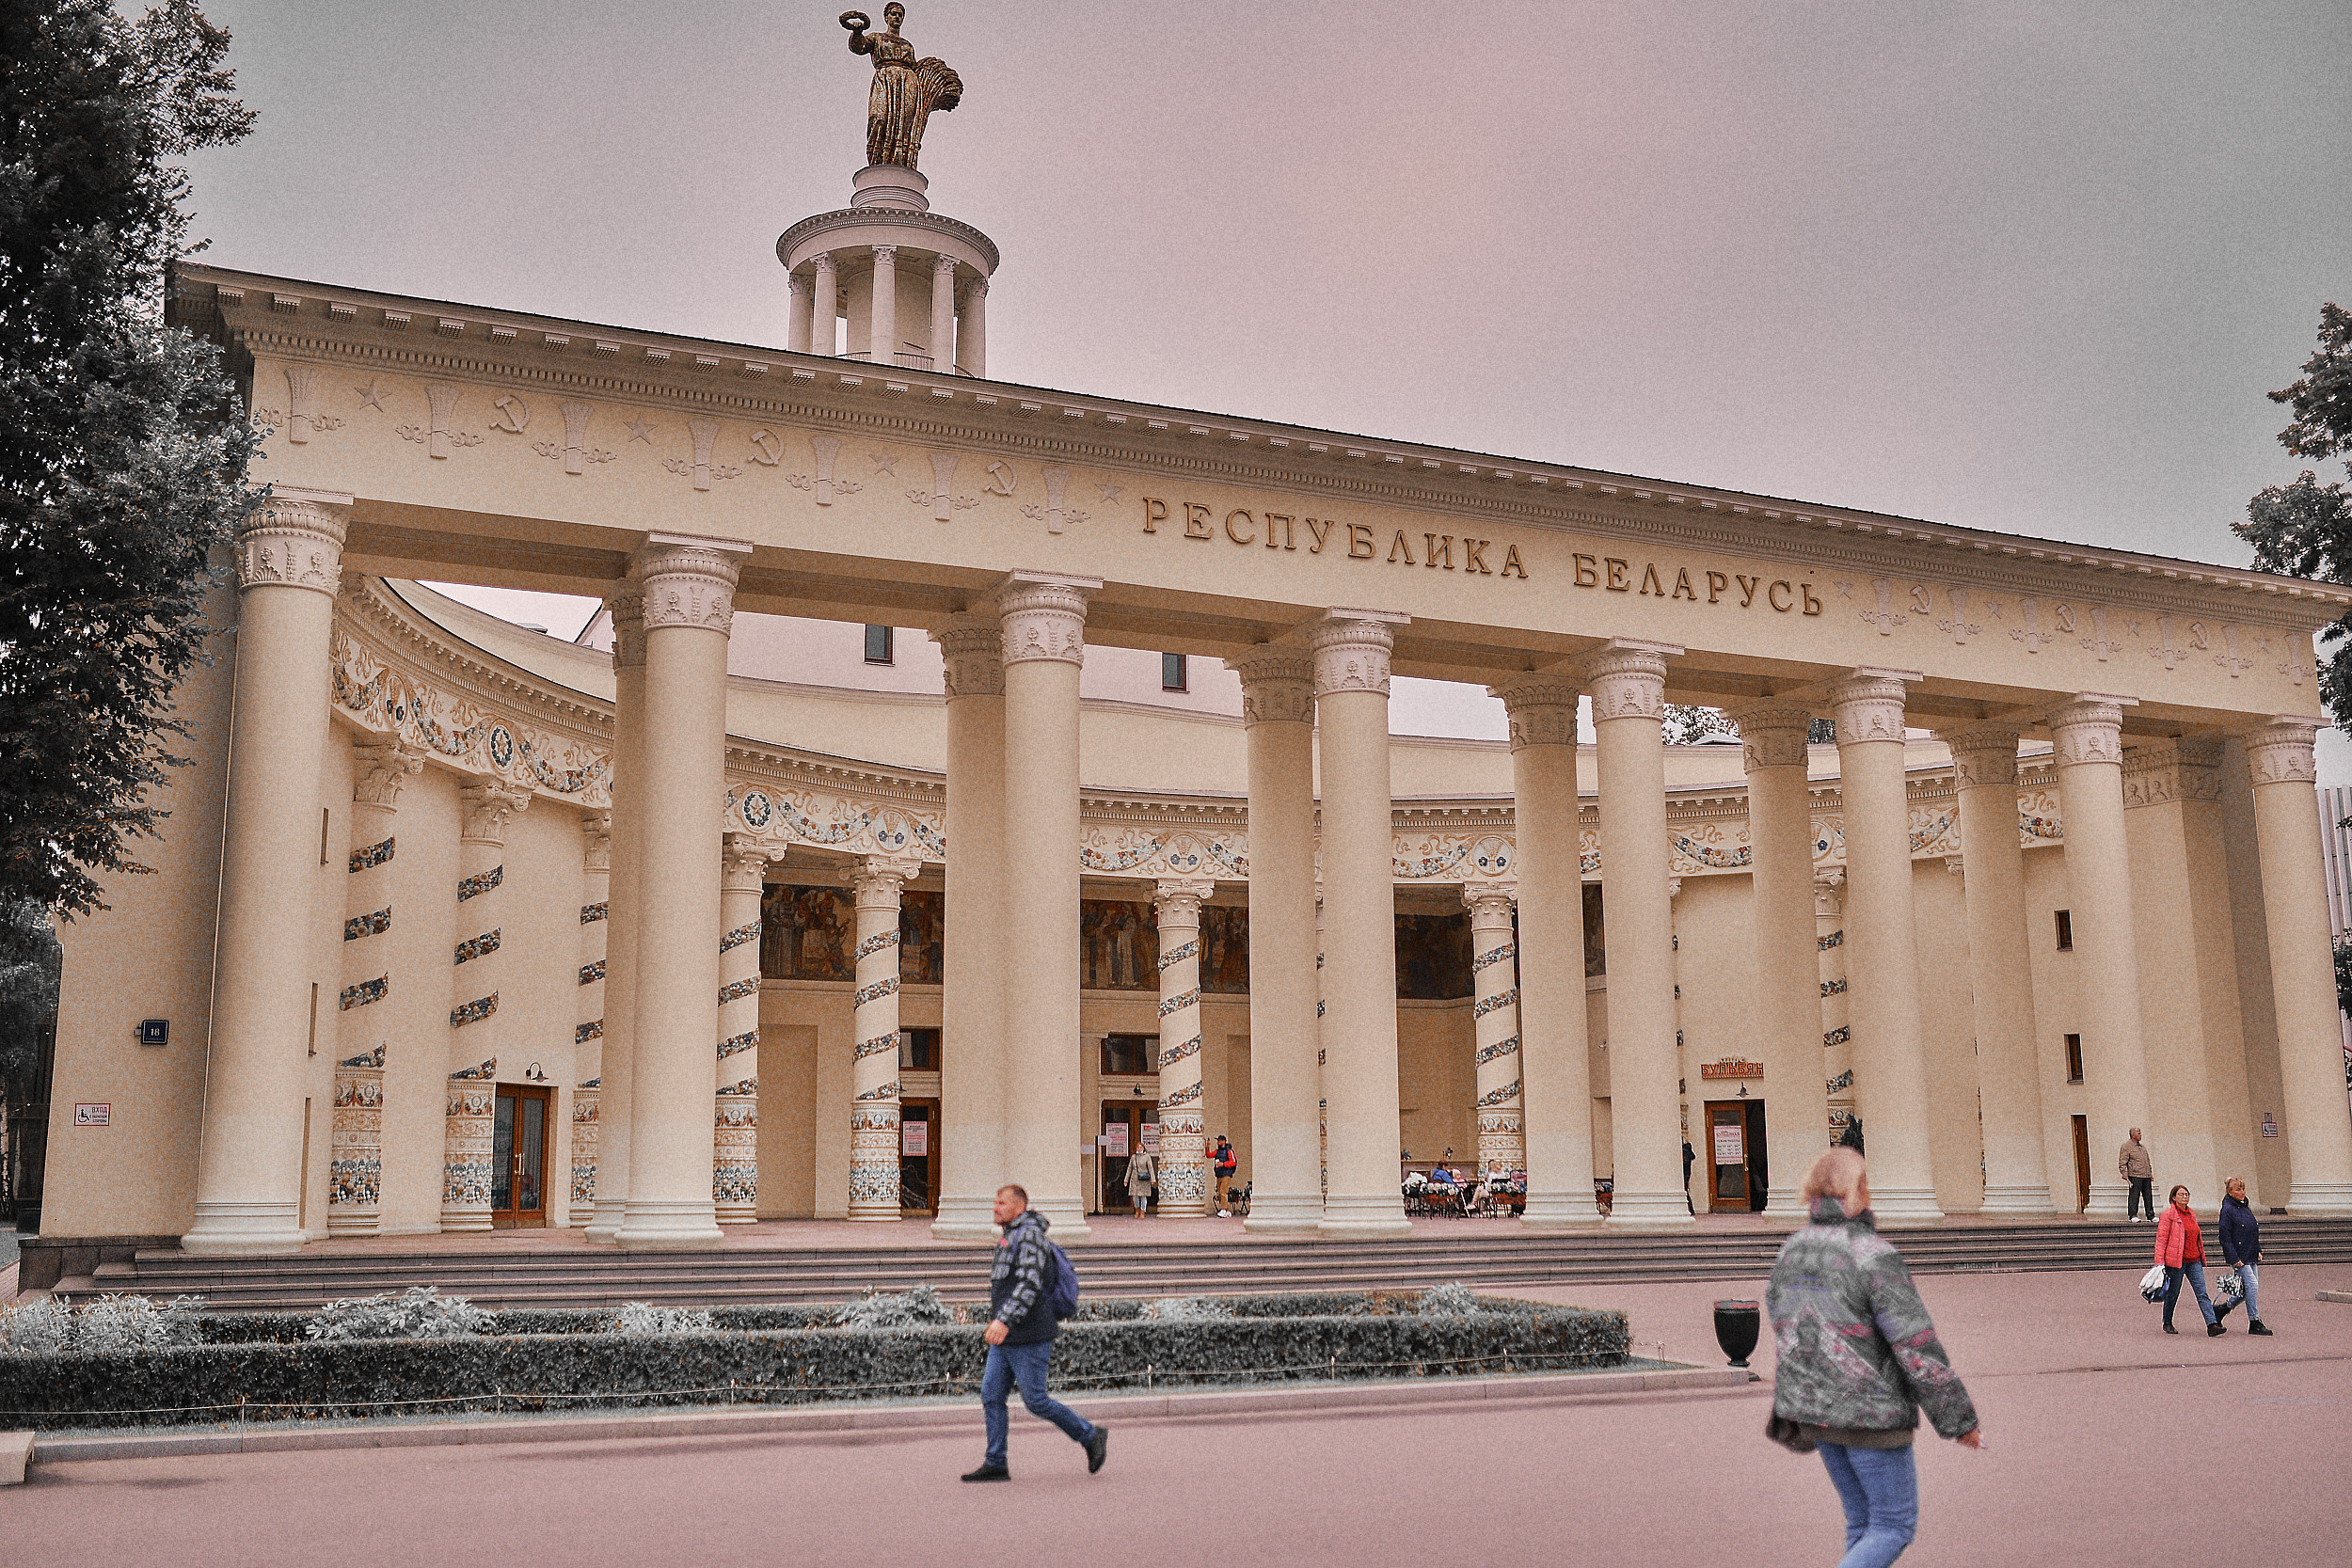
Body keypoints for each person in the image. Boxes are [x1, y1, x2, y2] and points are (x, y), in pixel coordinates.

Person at [1767, 1148, 1981, 1568]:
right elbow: (1915, 1345)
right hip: (1871, 1413)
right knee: (1893, 1526)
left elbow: (1783, 1324)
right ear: (1858, 1189)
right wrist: (1959, 1421)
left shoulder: (1792, 1249)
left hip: (1816, 1411)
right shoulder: (1871, 1254)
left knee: (1863, 1522)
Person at [961, 1184, 1108, 1482]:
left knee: (1036, 1401)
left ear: (1019, 1207)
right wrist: (1002, 1322)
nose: (995, 1207)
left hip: (1029, 1334)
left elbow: (1029, 1284)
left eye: (1001, 1203)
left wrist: (1003, 1320)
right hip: (1009, 1334)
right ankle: (996, 1462)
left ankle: (1090, 1435)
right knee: (991, 1395)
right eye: (995, 1201)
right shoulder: (1012, 1234)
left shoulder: (1029, 1236)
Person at [2154, 1183, 2222, 1337]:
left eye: (2187, 1194)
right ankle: (2167, 1322)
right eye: (2181, 1194)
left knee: (2202, 1293)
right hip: (2176, 1262)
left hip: (2194, 1260)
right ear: (2173, 1197)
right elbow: (2161, 1239)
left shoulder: (2191, 1214)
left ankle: (2212, 1325)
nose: (2185, 1197)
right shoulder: (2168, 1215)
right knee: (2173, 1293)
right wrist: (2159, 1262)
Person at [2212, 1176, 2270, 1335]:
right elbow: (2225, 1236)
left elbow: (2252, 1230)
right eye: (2238, 1189)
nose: (2242, 1192)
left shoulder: (2245, 1207)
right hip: (2239, 1256)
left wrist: (2258, 1250)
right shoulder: (2227, 1210)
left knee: (2246, 1290)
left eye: (2243, 1188)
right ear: (2229, 1192)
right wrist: (2234, 1258)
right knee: (2252, 1286)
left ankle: (2223, 1309)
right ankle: (2254, 1321)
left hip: (2250, 1253)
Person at [2120, 1129, 2155, 1221]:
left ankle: (2151, 1215)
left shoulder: (2142, 1147)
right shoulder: (2126, 1146)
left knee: (2148, 1196)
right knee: (2134, 1196)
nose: (2141, 1135)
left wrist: (2150, 1173)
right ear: (2133, 1135)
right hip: (2135, 1175)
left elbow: (2147, 1161)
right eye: (2139, 1133)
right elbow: (2123, 1161)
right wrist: (2124, 1173)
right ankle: (2133, 1215)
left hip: (2146, 1175)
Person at [1125, 1144, 1155, 1217]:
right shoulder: (1133, 1157)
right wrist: (1126, 1180)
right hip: (1134, 1178)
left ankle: (1143, 1211)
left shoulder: (1147, 1157)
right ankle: (1137, 1210)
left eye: (1140, 1147)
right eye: (1138, 1147)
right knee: (1135, 1195)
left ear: (1143, 1148)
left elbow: (1150, 1168)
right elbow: (1129, 1168)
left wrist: (1153, 1179)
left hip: (1144, 1178)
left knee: (1143, 1195)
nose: (1139, 1149)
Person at [1212, 1135, 1237, 1211]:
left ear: (1224, 1141)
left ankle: (1224, 1209)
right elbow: (1209, 1155)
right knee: (1220, 1193)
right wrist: (1207, 1147)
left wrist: (1223, 1164)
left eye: (1219, 1140)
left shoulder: (1229, 1151)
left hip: (1226, 1174)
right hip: (1219, 1174)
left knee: (1223, 1192)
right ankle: (1227, 1209)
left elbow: (1233, 1162)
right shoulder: (1217, 1151)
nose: (1218, 1142)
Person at [1682, 1139, 1697, 1216]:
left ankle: (1691, 1209)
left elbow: (1685, 1162)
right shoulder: (1688, 1150)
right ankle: (1691, 1209)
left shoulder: (1684, 1151)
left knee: (1685, 1191)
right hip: (1687, 1173)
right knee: (1686, 1191)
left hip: (1684, 1174)